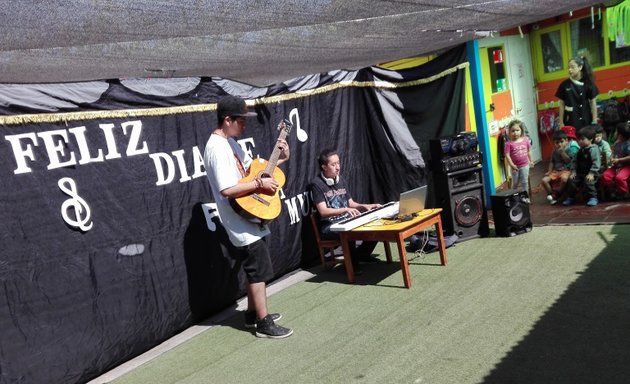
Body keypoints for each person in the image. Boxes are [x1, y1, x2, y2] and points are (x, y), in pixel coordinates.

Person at [203, 95, 293, 339]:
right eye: (241, 121)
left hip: (249, 214)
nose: (245, 125)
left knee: (257, 266)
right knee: (258, 270)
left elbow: (254, 172)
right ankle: (263, 323)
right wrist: (257, 184)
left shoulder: (230, 143)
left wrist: (281, 159)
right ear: (227, 120)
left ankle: (253, 314)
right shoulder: (216, 148)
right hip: (238, 218)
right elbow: (227, 189)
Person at [310, 149, 382, 274]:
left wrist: (367, 206)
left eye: (338, 163)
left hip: (347, 219)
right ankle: (353, 269)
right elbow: (323, 212)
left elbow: (351, 203)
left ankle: (362, 255)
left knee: (374, 221)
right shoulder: (317, 184)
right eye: (333, 165)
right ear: (324, 167)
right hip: (329, 226)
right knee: (348, 232)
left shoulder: (340, 180)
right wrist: (345, 210)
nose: (338, 167)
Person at [555, 56, 599, 130]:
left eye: (572, 67)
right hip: (570, 121)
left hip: (586, 120)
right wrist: (561, 123)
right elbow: (562, 104)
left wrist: (594, 120)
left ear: (580, 67)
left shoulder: (588, 83)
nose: (569, 70)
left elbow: (593, 102)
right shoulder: (564, 85)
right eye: (568, 67)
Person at [562, 125, 602, 207]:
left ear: (591, 139)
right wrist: (573, 171)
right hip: (580, 173)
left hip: (592, 173)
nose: (580, 141)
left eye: (582, 139)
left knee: (588, 181)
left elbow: (596, 162)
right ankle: (571, 197)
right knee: (572, 180)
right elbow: (574, 161)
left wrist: (591, 173)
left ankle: (593, 197)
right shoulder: (580, 150)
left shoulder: (594, 149)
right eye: (578, 139)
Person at [504, 119, 533, 202]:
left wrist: (531, 160)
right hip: (514, 167)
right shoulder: (508, 144)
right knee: (515, 183)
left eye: (517, 130)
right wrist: (512, 165)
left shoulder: (526, 140)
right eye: (513, 131)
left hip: (525, 165)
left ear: (521, 130)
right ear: (509, 132)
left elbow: (529, 151)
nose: (515, 133)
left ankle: (526, 197)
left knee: (524, 182)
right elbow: (507, 155)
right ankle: (513, 197)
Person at [541, 130, 573, 204]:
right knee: (544, 180)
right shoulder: (554, 151)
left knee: (564, 179)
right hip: (556, 171)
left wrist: (562, 152)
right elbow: (552, 162)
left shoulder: (569, 150)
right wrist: (549, 171)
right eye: (557, 143)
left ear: (566, 141)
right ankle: (551, 195)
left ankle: (558, 194)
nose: (559, 144)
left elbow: (569, 161)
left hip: (566, 170)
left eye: (561, 142)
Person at [601, 122, 630, 200]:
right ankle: (613, 191)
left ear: (620, 135)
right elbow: (613, 153)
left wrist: (619, 160)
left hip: (626, 166)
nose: (614, 133)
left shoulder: (628, 144)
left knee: (619, 178)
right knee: (605, 176)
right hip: (616, 166)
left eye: (616, 132)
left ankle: (625, 193)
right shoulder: (617, 143)